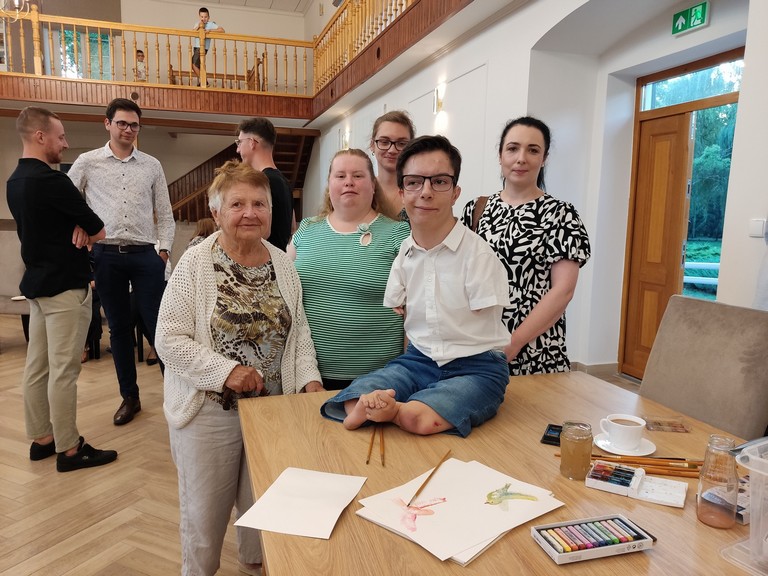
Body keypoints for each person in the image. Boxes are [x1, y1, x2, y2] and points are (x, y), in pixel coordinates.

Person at [155, 160, 323, 576]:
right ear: (216, 213)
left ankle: (255, 562)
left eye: (259, 204)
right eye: (237, 204)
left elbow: (298, 332)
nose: (250, 213)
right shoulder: (195, 263)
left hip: (271, 409)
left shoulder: (282, 263)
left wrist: (309, 380)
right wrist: (226, 371)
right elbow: (169, 339)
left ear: (271, 211)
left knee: (262, 500)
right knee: (205, 514)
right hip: (210, 411)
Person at [321, 135, 510, 437]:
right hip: (419, 360)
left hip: (476, 366)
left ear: (455, 192)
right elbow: (402, 311)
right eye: (414, 182)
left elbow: (489, 330)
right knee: (356, 394)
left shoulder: (479, 255)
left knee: (421, 420)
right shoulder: (405, 251)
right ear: (401, 192)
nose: (425, 192)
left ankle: (396, 411)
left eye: (439, 182)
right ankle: (383, 407)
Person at [6, 106, 118, 472]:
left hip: (38, 285)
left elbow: (56, 227)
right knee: (64, 371)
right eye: (60, 136)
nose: (65, 144)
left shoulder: (15, 181)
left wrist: (79, 226)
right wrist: (84, 228)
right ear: (40, 136)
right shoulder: (53, 182)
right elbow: (99, 229)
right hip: (66, 288)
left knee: (37, 367)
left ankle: (42, 439)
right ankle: (69, 449)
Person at [68, 97, 175, 426]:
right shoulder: (88, 162)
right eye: (122, 123)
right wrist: (78, 226)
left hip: (145, 255)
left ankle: (177, 395)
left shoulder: (152, 165)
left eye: (134, 125)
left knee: (160, 328)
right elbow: (65, 199)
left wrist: (163, 252)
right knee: (118, 329)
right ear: (108, 124)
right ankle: (130, 397)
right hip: (106, 255)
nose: (128, 129)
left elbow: (165, 214)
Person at [461, 116, 591, 375]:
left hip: (537, 350)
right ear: (500, 155)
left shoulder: (561, 214)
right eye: (512, 148)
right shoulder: (476, 210)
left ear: (544, 158)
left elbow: (563, 291)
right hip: (480, 346)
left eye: (533, 150)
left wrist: (514, 343)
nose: (521, 158)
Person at [288, 149, 410, 390]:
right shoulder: (307, 230)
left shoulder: (399, 234)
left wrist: (408, 372)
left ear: (373, 185)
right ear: (329, 184)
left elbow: (413, 311)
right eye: (340, 176)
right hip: (309, 377)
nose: (349, 182)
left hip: (379, 379)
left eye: (358, 175)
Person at [236, 117, 293, 251]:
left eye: (239, 142)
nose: (238, 150)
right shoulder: (284, 181)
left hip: (263, 257)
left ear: (252, 143)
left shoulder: (262, 181)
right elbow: (292, 227)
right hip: (279, 255)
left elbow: (264, 233)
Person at [369, 110, 415, 220]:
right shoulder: (362, 190)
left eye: (401, 143)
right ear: (372, 145)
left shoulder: (419, 191)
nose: (392, 150)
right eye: (385, 142)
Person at [192, 7, 224, 86]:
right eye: (202, 17)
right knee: (199, 65)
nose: (204, 19)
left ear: (208, 17)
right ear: (199, 17)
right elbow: (192, 32)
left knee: (193, 65)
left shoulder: (211, 24)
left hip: (202, 47)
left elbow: (222, 30)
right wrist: (198, 26)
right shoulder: (197, 23)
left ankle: (204, 81)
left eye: (205, 17)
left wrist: (210, 30)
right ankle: (203, 81)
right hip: (196, 47)